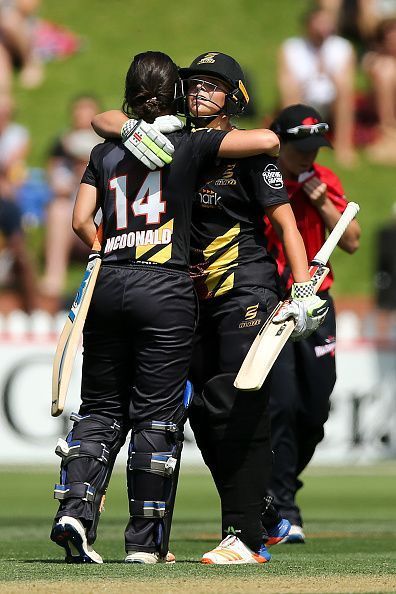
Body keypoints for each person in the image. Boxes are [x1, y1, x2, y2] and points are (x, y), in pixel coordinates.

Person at [50, 50, 289, 566]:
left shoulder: (126, 148)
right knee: (176, 415)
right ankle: (154, 542)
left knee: (120, 409)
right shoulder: (181, 142)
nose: (201, 92)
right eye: (193, 84)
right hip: (174, 292)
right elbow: (103, 119)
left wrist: (301, 289)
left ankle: (241, 531)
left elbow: (79, 219)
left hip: (185, 284)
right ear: (176, 94)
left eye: (213, 85)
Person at [262, 104, 360, 543]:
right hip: (276, 302)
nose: (308, 156)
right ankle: (282, 505)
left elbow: (352, 241)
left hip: (318, 304)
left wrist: (321, 201)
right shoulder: (261, 180)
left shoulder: (325, 181)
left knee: (314, 409)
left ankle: (281, 486)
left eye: (314, 148)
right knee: (279, 404)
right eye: (300, 148)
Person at [40, 95, 102, 311]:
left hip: (100, 221)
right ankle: (53, 277)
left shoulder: (107, 150)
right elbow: (56, 186)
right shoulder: (62, 150)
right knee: (58, 210)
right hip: (71, 224)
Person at [277, 6, 356, 166]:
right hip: (302, 98)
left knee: (344, 88)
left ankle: (344, 146)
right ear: (308, 25)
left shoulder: (343, 48)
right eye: (319, 23)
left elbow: (347, 79)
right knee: (290, 87)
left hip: (331, 100)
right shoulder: (291, 48)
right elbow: (285, 80)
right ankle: (293, 143)